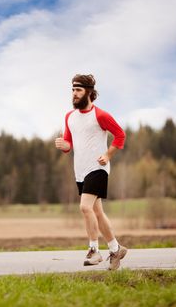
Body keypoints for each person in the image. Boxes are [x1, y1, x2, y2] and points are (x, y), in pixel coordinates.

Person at [55, 74, 127, 270]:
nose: (74, 94)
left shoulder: (101, 116)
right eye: (72, 90)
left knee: (85, 207)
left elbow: (120, 135)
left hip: (98, 168)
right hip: (80, 170)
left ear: (89, 92)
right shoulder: (69, 117)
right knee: (97, 211)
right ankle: (116, 248)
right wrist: (63, 145)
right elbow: (69, 144)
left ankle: (94, 251)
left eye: (78, 90)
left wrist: (108, 155)